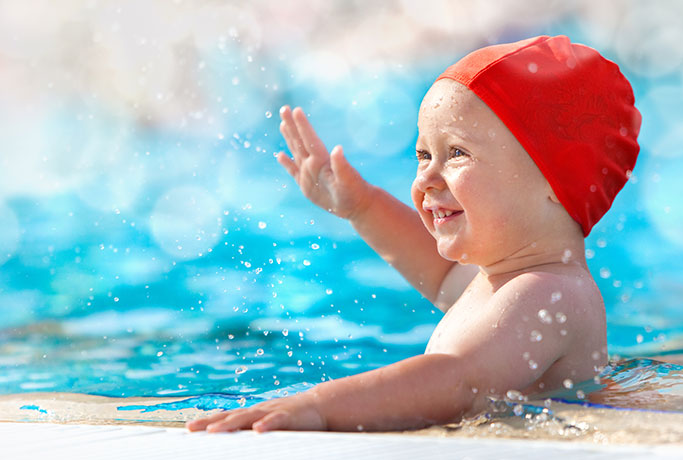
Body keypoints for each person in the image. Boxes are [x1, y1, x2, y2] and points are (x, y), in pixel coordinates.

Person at [186, 35, 641, 433]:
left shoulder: (551, 296)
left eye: (457, 153)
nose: (427, 178)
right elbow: (442, 275)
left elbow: (458, 381)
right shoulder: (507, 278)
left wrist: (318, 406)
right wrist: (361, 206)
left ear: (552, 180)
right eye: (423, 154)